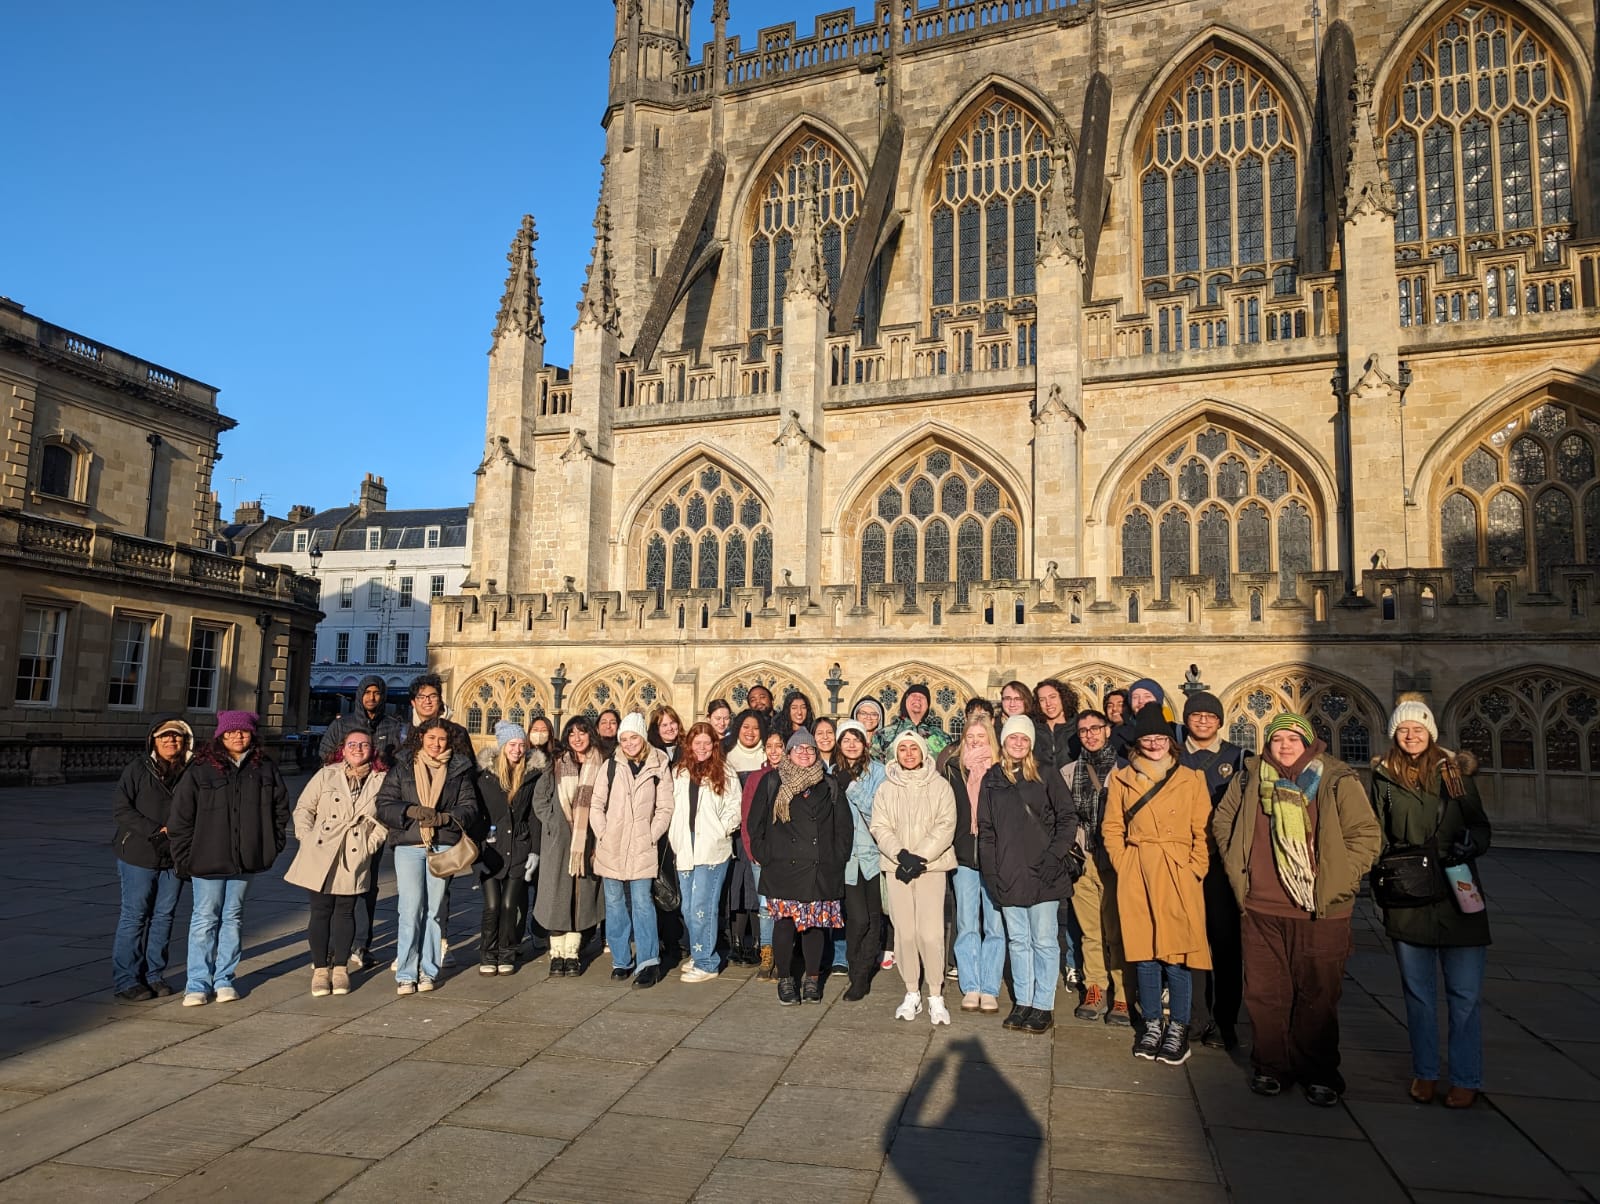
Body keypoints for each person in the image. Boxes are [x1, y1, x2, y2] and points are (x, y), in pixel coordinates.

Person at [1213, 712, 1381, 1106]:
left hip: (1319, 910)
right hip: (1260, 906)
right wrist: (1239, 867)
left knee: (1318, 995)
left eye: (1293, 738)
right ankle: (1271, 1066)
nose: (1285, 745)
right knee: (1265, 993)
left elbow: (1366, 836)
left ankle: (1319, 1072)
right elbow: (1223, 822)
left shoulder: (1336, 779)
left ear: (1308, 743)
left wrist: (1338, 877)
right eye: (1277, 739)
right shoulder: (1249, 777)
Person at [1371, 695, 1491, 1109]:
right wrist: (1378, 883)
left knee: (1465, 995)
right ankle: (1425, 1073)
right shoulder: (1383, 776)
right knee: (1418, 996)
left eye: (1418, 728)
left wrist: (1470, 845)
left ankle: (1465, 1077)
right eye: (1403, 729)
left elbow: (1480, 825)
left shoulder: (1455, 773)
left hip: (1459, 893)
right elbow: (1378, 835)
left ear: (1431, 732)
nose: (1410, 735)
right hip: (1407, 894)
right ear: (1394, 734)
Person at [1100, 706, 1214, 1067]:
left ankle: (1177, 1027)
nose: (1154, 744)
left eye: (1160, 737)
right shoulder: (1121, 779)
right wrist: (1125, 862)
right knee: (1145, 955)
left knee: (1178, 957)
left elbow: (1204, 831)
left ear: (1170, 741)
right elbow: (1112, 828)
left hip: (1178, 871)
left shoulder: (1192, 779)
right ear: (1138, 743)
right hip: (1138, 869)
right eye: (1147, 738)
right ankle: (1152, 1023)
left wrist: (1195, 868)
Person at [168, 711, 289, 1006]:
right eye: (232, 732)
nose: (238, 736)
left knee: (233, 918)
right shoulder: (200, 769)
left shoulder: (264, 768)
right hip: (206, 857)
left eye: (244, 732)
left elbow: (280, 810)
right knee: (204, 919)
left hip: (244, 859)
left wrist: (271, 845)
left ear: (252, 735)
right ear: (221, 736)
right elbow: (181, 817)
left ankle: (224, 979)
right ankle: (197, 982)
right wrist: (185, 855)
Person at [978, 715, 1078, 1035]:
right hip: (1008, 871)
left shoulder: (1046, 773)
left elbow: (1067, 818)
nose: (1018, 743)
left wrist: (1055, 855)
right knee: (1018, 941)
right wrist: (991, 872)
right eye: (1012, 738)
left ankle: (1043, 1004)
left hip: (1043, 870)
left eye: (1024, 739)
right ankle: (1023, 1001)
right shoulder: (993, 778)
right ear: (1004, 741)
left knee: (1045, 940)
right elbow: (987, 829)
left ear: (1031, 743)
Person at [376, 717, 482, 994]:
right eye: (431, 738)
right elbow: (384, 804)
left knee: (435, 911)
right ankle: (406, 972)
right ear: (421, 738)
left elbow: (470, 807)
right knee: (410, 910)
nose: (436, 744)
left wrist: (447, 818)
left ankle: (429, 970)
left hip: (442, 845)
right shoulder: (402, 766)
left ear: (450, 742)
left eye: (442, 740)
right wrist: (410, 811)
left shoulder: (459, 769)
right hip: (410, 845)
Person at [747, 730, 852, 1005]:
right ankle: (785, 979)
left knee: (815, 927)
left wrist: (836, 857)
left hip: (820, 868)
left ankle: (813, 979)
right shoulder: (773, 781)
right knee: (784, 926)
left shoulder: (829, 783)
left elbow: (843, 827)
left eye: (810, 750)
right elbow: (754, 823)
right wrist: (764, 854)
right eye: (799, 749)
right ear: (789, 753)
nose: (805, 753)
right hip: (781, 866)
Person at [285, 726, 389, 996]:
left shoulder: (381, 779)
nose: (358, 749)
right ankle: (321, 969)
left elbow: (385, 819)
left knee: (345, 910)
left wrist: (371, 844)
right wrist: (306, 837)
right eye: (352, 744)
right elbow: (304, 808)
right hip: (321, 850)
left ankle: (341, 968)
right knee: (320, 911)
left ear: (372, 750)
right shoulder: (326, 774)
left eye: (364, 745)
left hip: (355, 851)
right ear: (343, 749)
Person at [870, 730, 957, 1025]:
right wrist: (901, 855)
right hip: (898, 868)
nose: (909, 754)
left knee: (930, 933)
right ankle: (911, 991)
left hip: (930, 867)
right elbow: (880, 826)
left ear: (923, 753)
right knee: (905, 932)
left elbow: (946, 824)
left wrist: (919, 857)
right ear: (896, 754)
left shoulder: (940, 786)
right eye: (903, 749)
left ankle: (935, 993)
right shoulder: (886, 788)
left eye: (914, 748)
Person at [1179, 691, 1247, 1049]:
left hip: (1221, 865)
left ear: (1220, 721)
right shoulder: (1173, 756)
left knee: (1225, 945)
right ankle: (1195, 1017)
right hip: (1184, 864)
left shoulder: (1239, 759)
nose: (1203, 721)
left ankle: (1226, 1020)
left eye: (1210, 716)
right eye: (1196, 715)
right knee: (1190, 944)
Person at [111, 715, 193, 1000]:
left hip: (174, 856)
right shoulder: (137, 769)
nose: (171, 741)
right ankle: (126, 981)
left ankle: (155, 974)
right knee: (134, 917)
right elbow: (122, 809)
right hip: (139, 852)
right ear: (153, 741)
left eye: (176, 736)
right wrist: (156, 830)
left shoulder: (190, 771)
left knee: (164, 917)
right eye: (165, 736)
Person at [592, 713, 674, 988]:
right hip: (611, 845)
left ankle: (649, 962)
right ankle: (621, 959)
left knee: (642, 903)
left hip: (641, 845)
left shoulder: (659, 763)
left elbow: (665, 807)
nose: (628, 744)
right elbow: (596, 804)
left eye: (633, 738)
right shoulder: (611, 765)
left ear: (642, 737)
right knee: (615, 904)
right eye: (623, 739)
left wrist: (650, 835)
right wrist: (602, 833)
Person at [1061, 708, 1132, 1027]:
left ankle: (1122, 993)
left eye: (1095, 728)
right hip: (1083, 857)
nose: (1089, 734)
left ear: (1107, 730)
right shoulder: (1067, 772)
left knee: (1117, 931)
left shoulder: (1126, 770)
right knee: (1091, 930)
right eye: (1084, 731)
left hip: (1116, 858)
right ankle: (1095, 987)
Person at [534, 716, 607, 977]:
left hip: (588, 838)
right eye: (572, 733)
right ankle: (557, 954)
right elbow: (540, 798)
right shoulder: (556, 763)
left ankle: (573, 953)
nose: (577, 738)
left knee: (582, 896)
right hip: (558, 841)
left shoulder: (601, 763)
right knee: (556, 895)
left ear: (591, 735)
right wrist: (552, 821)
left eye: (583, 733)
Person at [670, 722, 742, 982]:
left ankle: (707, 962)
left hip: (711, 847)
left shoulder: (725, 771)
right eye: (696, 743)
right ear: (689, 745)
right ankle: (699, 952)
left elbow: (736, 806)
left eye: (706, 743)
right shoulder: (679, 771)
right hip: (685, 844)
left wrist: (722, 829)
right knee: (689, 907)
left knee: (704, 906)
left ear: (714, 745)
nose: (701, 748)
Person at [476, 720, 549, 975]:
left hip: (519, 847)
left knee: (510, 905)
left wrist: (535, 851)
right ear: (503, 746)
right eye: (513, 745)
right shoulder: (485, 777)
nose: (518, 750)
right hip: (491, 849)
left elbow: (533, 816)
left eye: (521, 745)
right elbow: (478, 816)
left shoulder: (532, 776)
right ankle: (488, 952)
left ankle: (506, 952)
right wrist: (478, 847)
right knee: (492, 906)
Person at [945, 718, 1005, 1014]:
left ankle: (990, 987)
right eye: (970, 735)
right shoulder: (954, 769)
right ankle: (971, 985)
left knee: (994, 925)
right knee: (967, 922)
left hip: (995, 855)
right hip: (965, 853)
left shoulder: (1002, 768)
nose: (976, 740)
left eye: (982, 735)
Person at [834, 720, 886, 1000]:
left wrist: (851, 787)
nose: (851, 744)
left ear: (865, 743)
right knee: (857, 919)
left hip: (874, 857)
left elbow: (878, 811)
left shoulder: (878, 772)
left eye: (857, 739)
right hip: (848, 859)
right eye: (846, 740)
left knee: (874, 919)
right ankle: (857, 971)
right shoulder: (832, 772)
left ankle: (863, 974)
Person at [741, 728, 787, 977]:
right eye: (769, 746)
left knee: (785, 904)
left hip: (787, 853)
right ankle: (767, 952)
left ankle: (784, 953)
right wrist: (751, 850)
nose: (774, 751)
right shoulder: (756, 778)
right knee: (765, 905)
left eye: (778, 745)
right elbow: (747, 817)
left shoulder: (795, 775)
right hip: (762, 852)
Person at [319, 675, 403, 764]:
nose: (371, 697)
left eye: (376, 693)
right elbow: (325, 753)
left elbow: (400, 759)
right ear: (360, 694)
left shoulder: (394, 726)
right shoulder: (340, 725)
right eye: (367, 692)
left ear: (382, 697)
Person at [873, 684, 950, 762]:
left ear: (927, 706)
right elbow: (875, 767)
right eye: (913, 695)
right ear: (905, 701)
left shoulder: (942, 737)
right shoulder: (883, 734)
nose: (918, 699)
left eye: (922, 697)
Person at [936, 698, 995, 773]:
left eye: (983, 717)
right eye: (973, 717)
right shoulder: (950, 753)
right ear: (966, 720)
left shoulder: (1001, 753)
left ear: (992, 721)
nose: (978, 721)